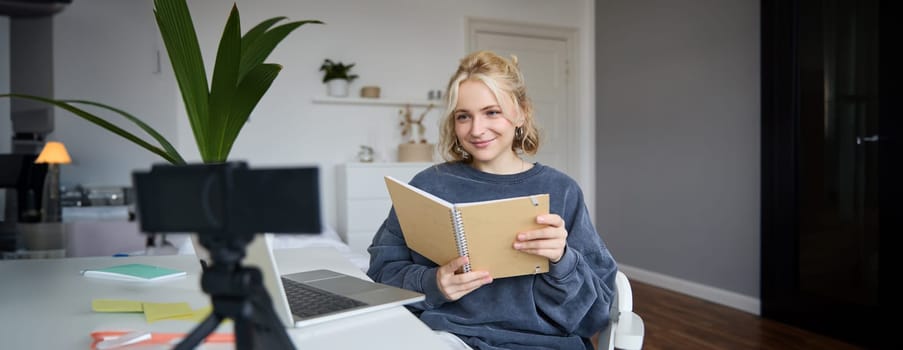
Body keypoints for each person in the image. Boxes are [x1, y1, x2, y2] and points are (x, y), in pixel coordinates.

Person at [367, 50, 618, 350]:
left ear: (521, 113)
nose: (476, 129)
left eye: (492, 112)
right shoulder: (429, 185)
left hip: (541, 344)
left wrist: (562, 261)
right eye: (464, 116)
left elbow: (596, 315)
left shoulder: (561, 190)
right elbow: (381, 274)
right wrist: (433, 283)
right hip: (448, 339)